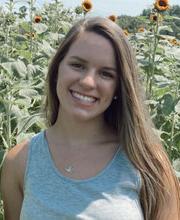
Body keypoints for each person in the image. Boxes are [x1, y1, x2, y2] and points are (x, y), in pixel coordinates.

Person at [1, 16, 180, 220]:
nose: (87, 82)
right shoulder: (19, 161)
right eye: (77, 65)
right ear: (57, 68)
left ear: (118, 88)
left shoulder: (147, 162)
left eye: (106, 74)